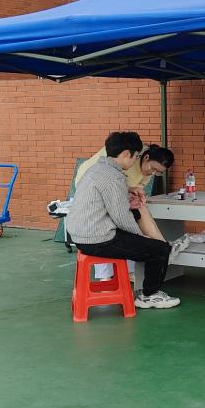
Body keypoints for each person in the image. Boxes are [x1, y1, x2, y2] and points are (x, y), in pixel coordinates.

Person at [65, 131, 179, 309]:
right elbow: (121, 218)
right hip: (97, 239)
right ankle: (149, 295)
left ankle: (144, 281)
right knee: (160, 249)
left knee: (143, 232)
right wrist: (142, 238)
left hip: (80, 235)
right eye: (135, 156)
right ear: (126, 154)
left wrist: (127, 199)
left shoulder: (96, 169)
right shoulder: (114, 177)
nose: (135, 161)